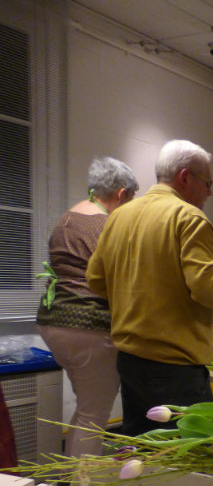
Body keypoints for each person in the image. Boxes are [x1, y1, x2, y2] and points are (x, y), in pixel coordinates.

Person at [86, 139, 213, 486]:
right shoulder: (188, 218)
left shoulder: (121, 217)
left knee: (144, 458)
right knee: (203, 462)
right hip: (176, 368)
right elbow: (207, 286)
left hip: (130, 362)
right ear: (185, 177)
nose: (210, 193)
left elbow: (96, 279)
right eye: (208, 183)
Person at [36, 156, 139, 457]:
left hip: (53, 321)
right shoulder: (107, 224)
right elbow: (120, 279)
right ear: (121, 194)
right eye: (131, 199)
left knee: (86, 409)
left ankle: (71, 477)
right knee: (94, 417)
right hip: (87, 326)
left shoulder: (66, 219)